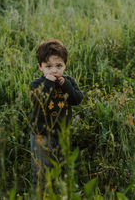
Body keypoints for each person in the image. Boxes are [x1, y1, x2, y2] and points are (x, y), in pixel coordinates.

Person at [29, 39, 83, 193]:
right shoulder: (37, 84)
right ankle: (41, 194)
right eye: (48, 67)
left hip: (62, 133)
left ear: (65, 65)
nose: (54, 71)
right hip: (41, 134)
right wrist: (49, 83)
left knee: (64, 165)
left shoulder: (68, 81)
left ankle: (66, 192)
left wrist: (65, 84)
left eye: (58, 66)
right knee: (41, 169)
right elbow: (39, 101)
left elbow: (77, 99)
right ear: (40, 67)